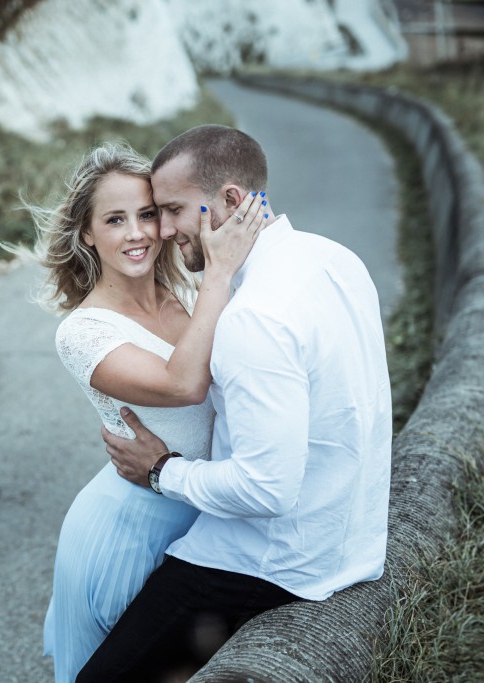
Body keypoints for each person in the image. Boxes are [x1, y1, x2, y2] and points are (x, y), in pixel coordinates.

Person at [75, 125, 393, 682]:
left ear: (229, 201)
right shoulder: (333, 257)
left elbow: (265, 489)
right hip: (352, 537)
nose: (165, 231)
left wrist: (160, 471)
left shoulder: (253, 318)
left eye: (172, 210)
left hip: (269, 560)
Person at [25, 140, 266, 683]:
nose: (137, 233)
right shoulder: (83, 332)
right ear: (87, 233)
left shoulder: (183, 297)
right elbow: (183, 385)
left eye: (149, 215)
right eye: (115, 219)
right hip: (130, 531)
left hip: (200, 511)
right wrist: (221, 272)